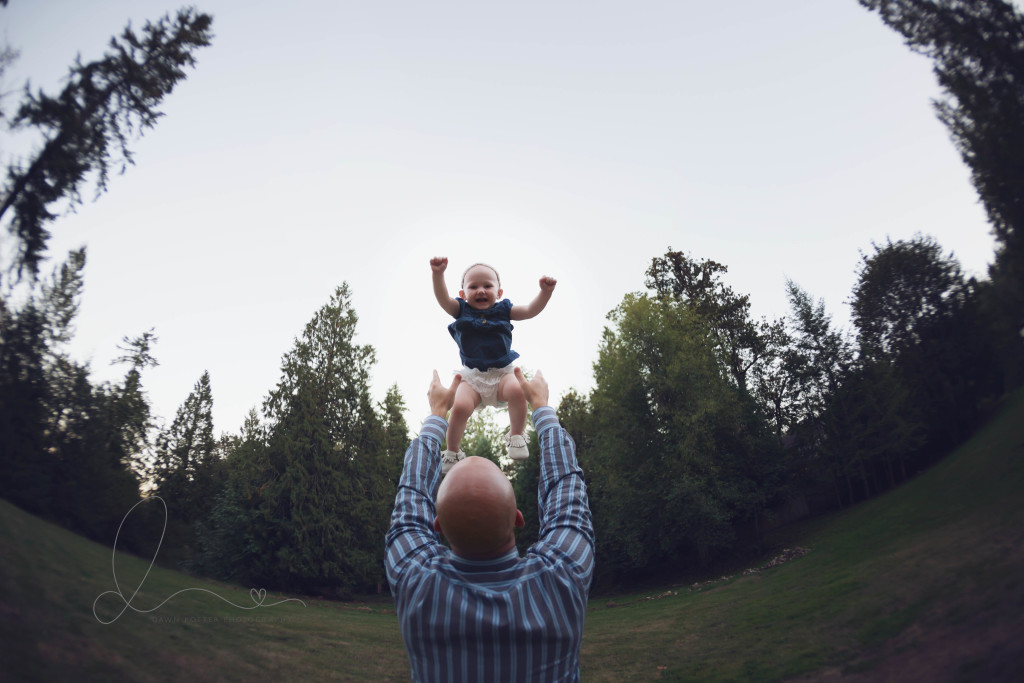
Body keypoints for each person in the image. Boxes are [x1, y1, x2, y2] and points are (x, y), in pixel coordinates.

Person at [385, 368, 595, 682]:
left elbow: (411, 496)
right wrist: (541, 406)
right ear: (518, 519)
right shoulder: (562, 576)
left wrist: (437, 413)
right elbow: (565, 490)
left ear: (438, 526)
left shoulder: (415, 582)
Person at [430, 256, 557, 473]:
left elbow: (530, 310)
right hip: (472, 377)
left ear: (499, 293)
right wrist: (438, 274)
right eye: (473, 286)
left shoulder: (504, 310)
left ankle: (516, 436)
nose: (481, 290)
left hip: (502, 373)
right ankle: (452, 451)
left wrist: (545, 293)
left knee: (517, 391)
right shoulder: (461, 309)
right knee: (459, 407)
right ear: (463, 294)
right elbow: (443, 299)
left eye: (487, 286)